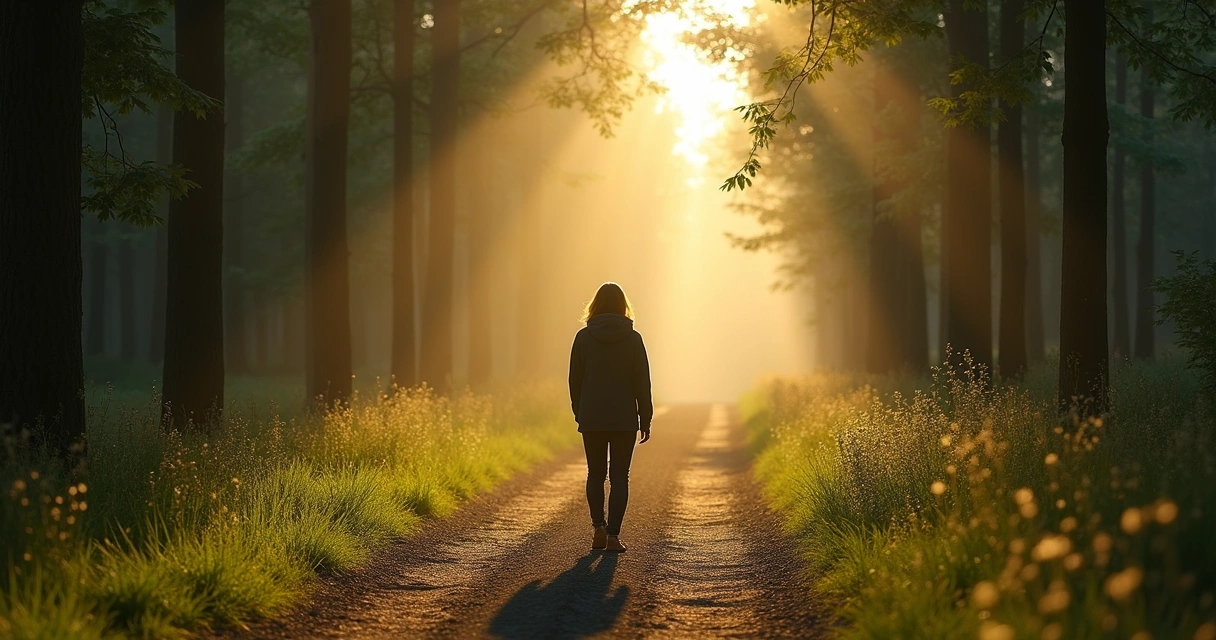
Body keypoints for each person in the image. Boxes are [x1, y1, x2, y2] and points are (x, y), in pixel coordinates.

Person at [568, 282, 653, 553]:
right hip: (623, 418)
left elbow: (574, 380)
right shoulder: (633, 339)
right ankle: (614, 536)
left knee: (595, 473)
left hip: (592, 416)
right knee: (619, 477)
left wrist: (579, 410)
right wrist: (645, 418)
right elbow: (643, 383)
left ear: (595, 306)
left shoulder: (583, 338)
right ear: (623, 306)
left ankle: (598, 528)